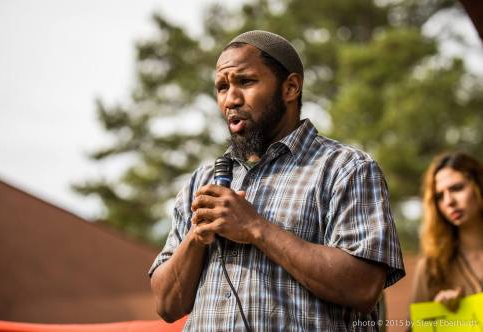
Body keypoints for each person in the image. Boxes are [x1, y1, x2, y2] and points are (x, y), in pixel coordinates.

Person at [149, 30, 405, 331]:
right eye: (221, 87)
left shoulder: (346, 168)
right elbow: (167, 305)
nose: (230, 99)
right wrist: (196, 236)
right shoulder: (201, 181)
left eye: (245, 82)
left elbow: (362, 287)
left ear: (290, 88)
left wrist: (255, 227)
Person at [411, 152, 483, 311]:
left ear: (479, 186)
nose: (449, 201)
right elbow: (416, 327)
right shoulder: (432, 267)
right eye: (439, 196)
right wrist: (438, 313)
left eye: (457, 188)